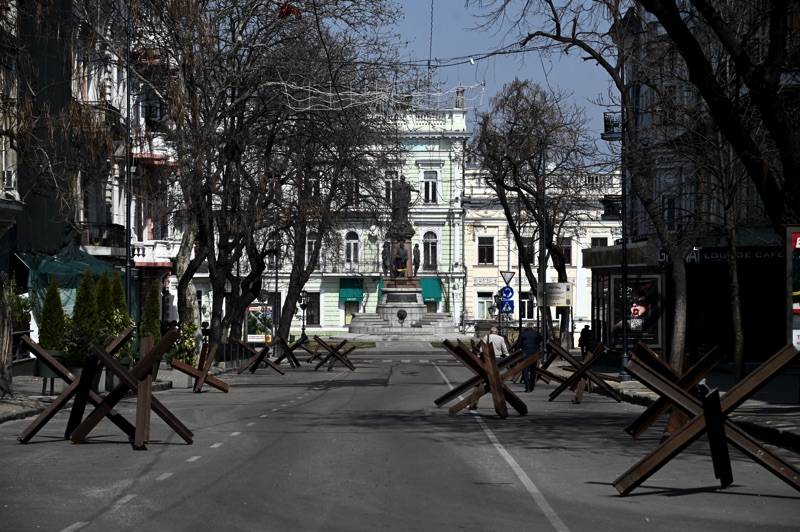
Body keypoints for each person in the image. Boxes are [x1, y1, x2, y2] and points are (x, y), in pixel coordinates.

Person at [513, 324, 544, 392]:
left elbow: (518, 344)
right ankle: (532, 386)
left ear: (526, 327)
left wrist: (516, 351)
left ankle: (528, 387)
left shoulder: (523, 334)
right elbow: (541, 340)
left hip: (525, 354)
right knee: (533, 370)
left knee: (525, 371)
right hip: (534, 354)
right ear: (533, 327)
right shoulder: (537, 333)